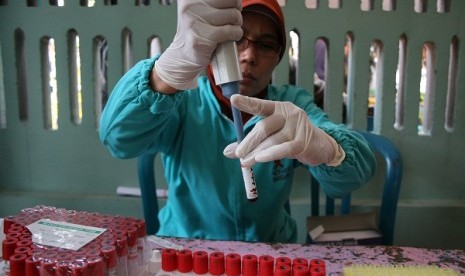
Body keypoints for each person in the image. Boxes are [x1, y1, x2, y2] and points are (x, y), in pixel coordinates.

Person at [99, 0, 376, 243]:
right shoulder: (185, 101)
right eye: (237, 40)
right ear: (214, 45)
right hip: (187, 252)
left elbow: (354, 175)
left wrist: (328, 148)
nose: (249, 56)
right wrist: (164, 75)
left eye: (266, 45)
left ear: (279, 57)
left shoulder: (291, 105)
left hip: (271, 254)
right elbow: (117, 139)